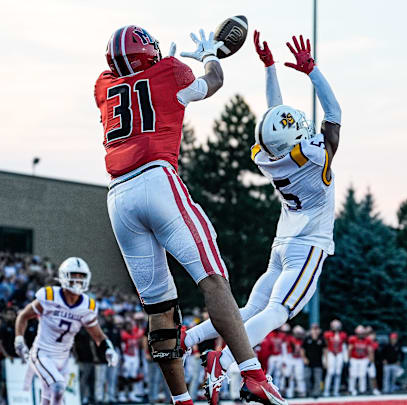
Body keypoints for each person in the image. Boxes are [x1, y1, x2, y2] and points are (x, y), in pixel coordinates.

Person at [96, 24, 284, 405]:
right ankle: (251, 373)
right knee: (212, 277)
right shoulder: (170, 72)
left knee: (160, 308)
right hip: (157, 179)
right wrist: (211, 56)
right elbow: (212, 82)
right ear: (147, 53)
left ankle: (181, 399)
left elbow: (129, 78)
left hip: (117, 197)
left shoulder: (101, 87)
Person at [183, 29, 341, 403]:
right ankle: (228, 363)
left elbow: (274, 119)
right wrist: (312, 71)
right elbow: (333, 113)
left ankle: (188, 338)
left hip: (282, 241)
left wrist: (269, 69)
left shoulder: (265, 156)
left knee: (251, 308)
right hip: (308, 244)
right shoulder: (316, 156)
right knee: (278, 311)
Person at [13, 257, 119, 405]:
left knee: (49, 398)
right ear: (64, 276)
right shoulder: (49, 296)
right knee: (58, 387)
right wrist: (19, 339)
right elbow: (23, 315)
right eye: (74, 275)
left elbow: (98, 336)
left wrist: (108, 349)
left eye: (81, 276)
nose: (78, 280)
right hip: (42, 353)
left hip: (64, 358)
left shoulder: (87, 306)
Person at [323, 319, 347, 397]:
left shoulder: (343, 334)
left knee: (338, 373)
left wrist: (345, 357)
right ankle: (326, 390)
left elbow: (343, 345)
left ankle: (336, 391)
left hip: (339, 353)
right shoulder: (327, 334)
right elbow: (326, 346)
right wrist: (325, 359)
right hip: (331, 353)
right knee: (330, 372)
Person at [302, 323, 324, 397]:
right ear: (311, 330)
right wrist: (304, 358)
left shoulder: (321, 339)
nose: (315, 331)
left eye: (316, 329)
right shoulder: (307, 338)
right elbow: (302, 349)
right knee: (307, 377)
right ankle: (309, 392)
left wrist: (325, 360)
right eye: (313, 329)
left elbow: (325, 350)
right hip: (308, 362)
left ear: (319, 330)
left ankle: (316, 393)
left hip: (318, 362)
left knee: (318, 378)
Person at [348, 326, 371, 395]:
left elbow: (369, 350)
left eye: (362, 333)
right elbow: (350, 349)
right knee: (353, 375)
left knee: (362, 375)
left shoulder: (367, 340)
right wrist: (348, 360)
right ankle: (351, 389)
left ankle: (362, 390)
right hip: (354, 358)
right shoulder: (353, 339)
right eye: (359, 333)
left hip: (363, 359)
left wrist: (369, 360)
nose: (361, 334)